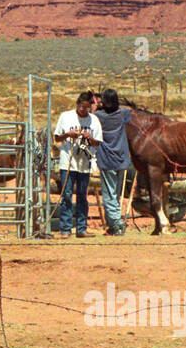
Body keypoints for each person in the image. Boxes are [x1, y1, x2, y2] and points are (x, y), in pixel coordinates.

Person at [52, 90, 102, 237]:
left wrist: (90, 138)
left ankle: (81, 228)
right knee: (66, 194)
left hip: (84, 163)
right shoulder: (65, 117)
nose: (84, 111)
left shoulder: (94, 120)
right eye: (82, 108)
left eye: (87, 109)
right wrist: (68, 134)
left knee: (82, 195)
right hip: (67, 162)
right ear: (77, 104)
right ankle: (65, 229)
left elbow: (98, 143)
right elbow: (57, 138)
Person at [91, 87, 132, 235]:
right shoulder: (122, 114)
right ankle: (113, 226)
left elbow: (91, 117)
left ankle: (116, 225)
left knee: (109, 195)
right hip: (121, 159)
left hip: (107, 159)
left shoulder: (99, 116)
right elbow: (128, 110)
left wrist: (97, 106)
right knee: (116, 194)